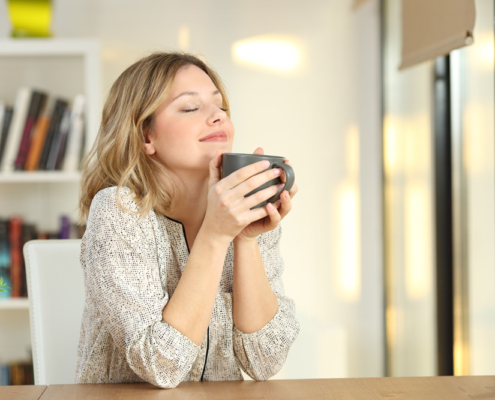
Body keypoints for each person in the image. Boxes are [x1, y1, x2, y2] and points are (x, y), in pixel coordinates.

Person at [75, 52, 300, 389]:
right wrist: (215, 235)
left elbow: (264, 361)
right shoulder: (118, 211)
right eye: (191, 108)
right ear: (145, 136)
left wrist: (245, 237)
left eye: (221, 106)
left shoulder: (243, 210)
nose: (217, 118)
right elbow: (160, 366)